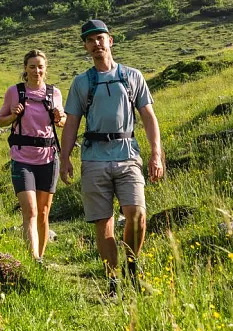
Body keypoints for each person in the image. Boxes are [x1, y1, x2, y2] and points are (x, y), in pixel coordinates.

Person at [59, 18, 164, 298]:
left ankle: (132, 266)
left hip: (128, 154)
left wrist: (157, 155)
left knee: (137, 215)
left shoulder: (132, 76)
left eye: (100, 38)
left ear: (110, 40)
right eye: (90, 40)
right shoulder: (81, 83)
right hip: (93, 159)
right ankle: (113, 282)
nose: (96, 44)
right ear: (85, 46)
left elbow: (149, 117)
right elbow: (71, 123)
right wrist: (65, 157)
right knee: (103, 224)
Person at [0, 49, 66, 262]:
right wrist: (14, 115)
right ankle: (33, 257)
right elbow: (1, 121)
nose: (37, 71)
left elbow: (63, 122)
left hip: (48, 157)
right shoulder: (14, 92)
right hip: (22, 158)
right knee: (31, 211)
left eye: (40, 67)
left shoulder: (54, 93)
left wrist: (58, 117)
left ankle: (41, 259)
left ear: (46, 69)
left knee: (44, 213)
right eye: (32, 67)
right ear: (25, 69)